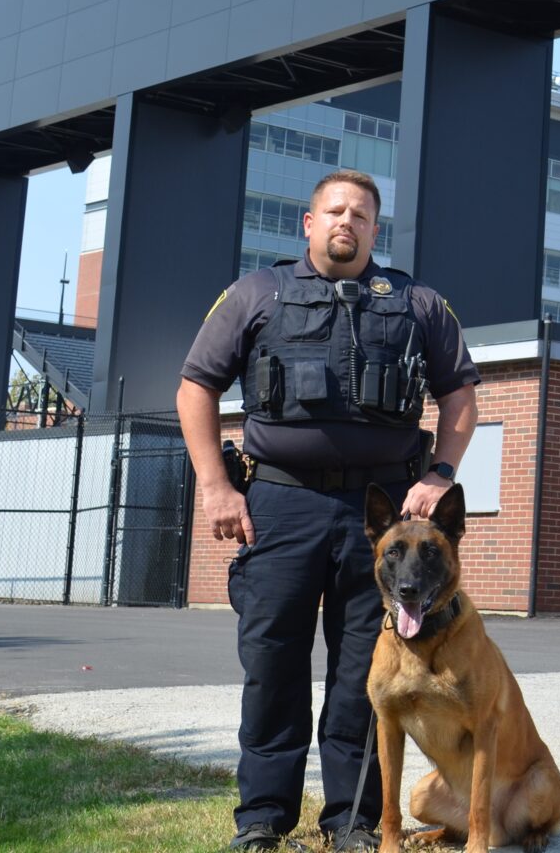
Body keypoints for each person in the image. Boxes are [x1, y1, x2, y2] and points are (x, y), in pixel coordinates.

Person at [177, 168, 480, 852]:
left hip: (378, 518)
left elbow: (460, 398)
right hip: (277, 505)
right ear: (309, 223)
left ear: (377, 230)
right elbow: (195, 386)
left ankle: (354, 822)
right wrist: (215, 486)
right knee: (273, 664)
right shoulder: (257, 294)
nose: (348, 222)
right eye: (335, 211)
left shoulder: (419, 305)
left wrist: (440, 473)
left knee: (361, 675)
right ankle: (261, 819)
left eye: (362, 215)